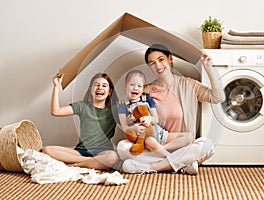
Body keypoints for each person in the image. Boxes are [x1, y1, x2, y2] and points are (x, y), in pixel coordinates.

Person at [117, 44, 225, 175]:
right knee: (122, 147)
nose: (157, 65)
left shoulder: (188, 84)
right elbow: (130, 105)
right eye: (152, 63)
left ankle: (152, 167)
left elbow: (217, 97)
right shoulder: (145, 90)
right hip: (151, 146)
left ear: (170, 59)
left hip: (182, 145)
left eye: (161, 59)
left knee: (206, 145)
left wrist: (209, 68)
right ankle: (182, 164)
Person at [42, 73, 119, 170]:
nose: (100, 87)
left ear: (109, 91)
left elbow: (130, 121)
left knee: (113, 157)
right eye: (96, 85)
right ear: (91, 89)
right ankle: (89, 162)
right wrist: (56, 87)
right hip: (80, 151)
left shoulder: (115, 110)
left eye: (104, 85)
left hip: (102, 152)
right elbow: (56, 111)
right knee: (47, 150)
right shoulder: (82, 106)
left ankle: (74, 164)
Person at [118, 70, 191, 156]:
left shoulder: (148, 99)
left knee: (190, 137)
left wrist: (149, 118)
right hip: (145, 138)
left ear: (143, 88)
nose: (135, 88)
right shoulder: (123, 105)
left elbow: (156, 119)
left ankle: (162, 148)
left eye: (139, 86)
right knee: (149, 142)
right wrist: (133, 128)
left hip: (160, 133)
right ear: (125, 86)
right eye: (132, 85)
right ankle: (171, 157)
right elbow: (124, 127)